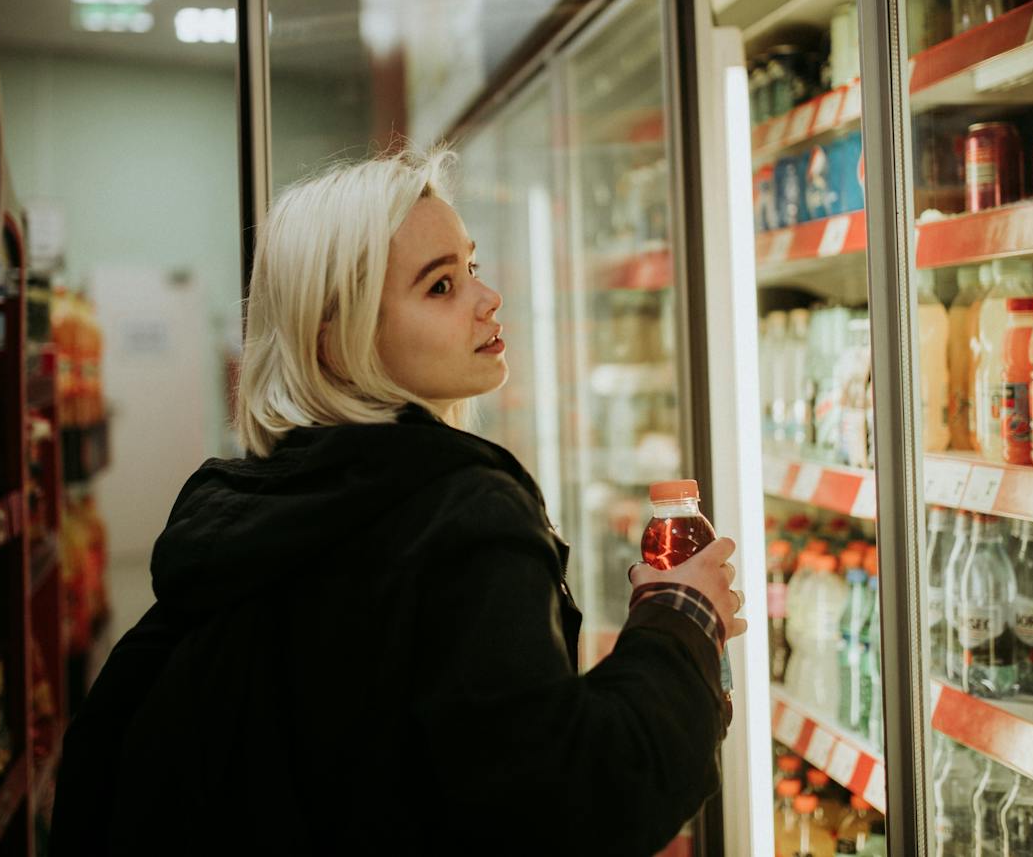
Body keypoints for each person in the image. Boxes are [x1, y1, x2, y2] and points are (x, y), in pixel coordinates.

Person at [50, 149, 747, 855]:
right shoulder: (465, 516)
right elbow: (561, 804)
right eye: (439, 285)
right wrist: (680, 618)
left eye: (469, 266)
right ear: (337, 338)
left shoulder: (245, 508)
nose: (486, 297)